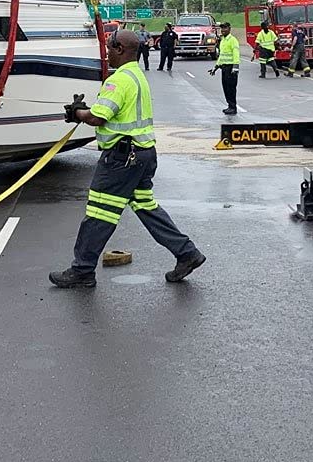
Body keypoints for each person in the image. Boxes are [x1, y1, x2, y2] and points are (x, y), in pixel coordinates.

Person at [49, 29, 205, 289]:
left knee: (99, 212)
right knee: (146, 207)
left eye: (109, 47)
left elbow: (99, 117)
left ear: (120, 48)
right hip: (143, 154)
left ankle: (82, 270)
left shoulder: (118, 80)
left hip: (122, 158)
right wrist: (82, 112)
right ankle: (187, 253)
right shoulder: (137, 75)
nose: (107, 52)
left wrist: (78, 112)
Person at [209, 21, 240, 114]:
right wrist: (216, 67)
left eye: (225, 28)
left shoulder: (233, 40)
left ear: (229, 29)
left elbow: (236, 54)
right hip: (224, 68)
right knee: (226, 88)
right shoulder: (223, 40)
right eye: (222, 28)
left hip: (231, 68)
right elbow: (222, 56)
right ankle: (229, 106)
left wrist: (235, 67)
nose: (223, 30)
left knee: (231, 88)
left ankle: (233, 107)